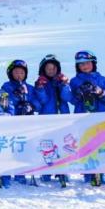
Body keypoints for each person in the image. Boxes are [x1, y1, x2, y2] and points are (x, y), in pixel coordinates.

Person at [70, 50, 105, 186]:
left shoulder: (102, 80)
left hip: (100, 117)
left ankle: (102, 172)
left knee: (101, 144)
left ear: (93, 63)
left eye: (87, 63)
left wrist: (101, 92)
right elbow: (72, 100)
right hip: (82, 117)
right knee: (85, 145)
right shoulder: (74, 81)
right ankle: (88, 172)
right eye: (81, 64)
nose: (84, 66)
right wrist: (78, 94)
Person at [33, 54, 72, 186]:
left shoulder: (61, 81)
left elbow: (68, 98)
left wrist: (64, 85)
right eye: (48, 68)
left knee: (63, 144)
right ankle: (46, 171)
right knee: (48, 146)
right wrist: (40, 88)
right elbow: (42, 101)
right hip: (47, 119)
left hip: (62, 117)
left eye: (53, 68)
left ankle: (63, 170)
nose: (51, 71)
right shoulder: (40, 83)